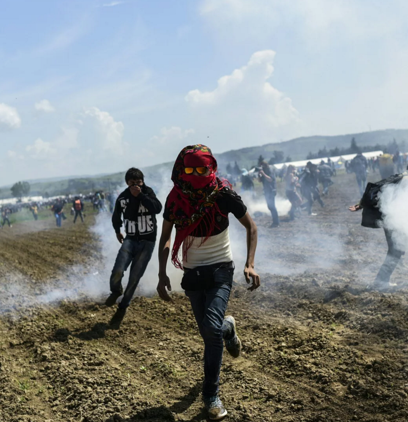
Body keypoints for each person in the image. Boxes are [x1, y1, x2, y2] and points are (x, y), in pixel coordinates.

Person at [157, 144, 260, 421]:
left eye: (202, 168)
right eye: (190, 169)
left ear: (211, 167)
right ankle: (229, 328)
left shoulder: (223, 193)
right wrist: (161, 273)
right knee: (210, 331)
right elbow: (166, 236)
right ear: (182, 169)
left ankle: (211, 395)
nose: (197, 174)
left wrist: (250, 263)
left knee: (210, 330)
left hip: (220, 270)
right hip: (192, 275)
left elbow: (251, 226)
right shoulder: (176, 198)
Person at [349, 162, 408, 289]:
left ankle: (382, 280)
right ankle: (381, 281)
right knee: (396, 251)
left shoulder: (397, 177)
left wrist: (359, 205)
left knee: (395, 250)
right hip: (396, 220)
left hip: (388, 218)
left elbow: (377, 191)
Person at [105, 168, 163, 326]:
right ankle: (116, 290)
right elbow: (117, 216)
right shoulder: (123, 197)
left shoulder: (148, 192)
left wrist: (141, 196)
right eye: (132, 183)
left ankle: (123, 306)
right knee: (118, 269)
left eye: (139, 183)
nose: (136, 186)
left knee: (135, 277)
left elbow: (157, 208)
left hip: (147, 241)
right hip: (130, 239)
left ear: (143, 182)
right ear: (127, 183)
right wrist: (117, 231)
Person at [258, 161, 279, 228]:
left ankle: (276, 222)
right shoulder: (264, 172)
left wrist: (263, 173)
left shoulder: (270, 171)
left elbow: (270, 179)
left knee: (272, 207)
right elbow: (260, 181)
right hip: (267, 191)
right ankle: (275, 221)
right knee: (270, 207)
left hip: (271, 191)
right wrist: (259, 175)